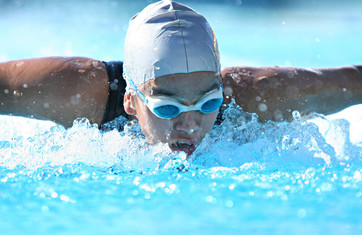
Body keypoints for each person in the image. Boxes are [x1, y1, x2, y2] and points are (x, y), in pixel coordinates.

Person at [0, 0, 361, 155]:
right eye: (167, 108)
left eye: (208, 103)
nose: (190, 124)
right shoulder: (84, 91)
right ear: (131, 100)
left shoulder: (255, 95)